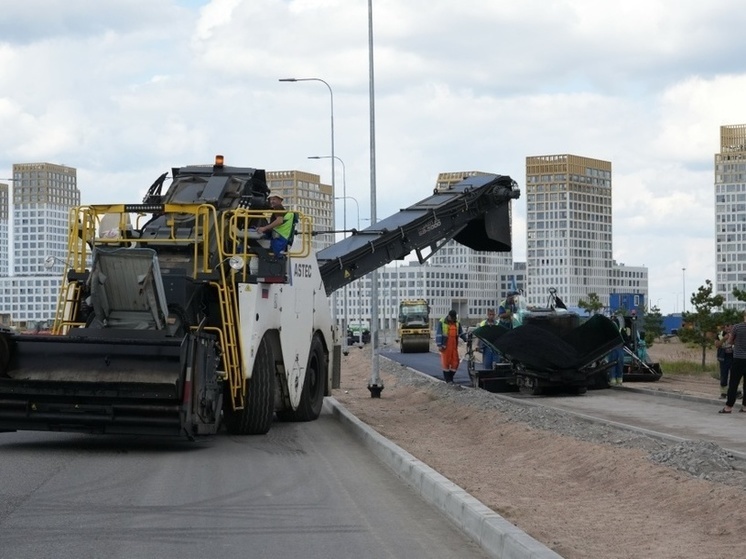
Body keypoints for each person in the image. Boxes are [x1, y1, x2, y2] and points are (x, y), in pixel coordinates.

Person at [719, 312, 746, 413]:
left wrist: (736, 341)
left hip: (738, 358)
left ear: (744, 316)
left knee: (733, 383)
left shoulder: (737, 327)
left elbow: (730, 341)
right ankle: (744, 406)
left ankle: (729, 407)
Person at [256, 192, 295, 258]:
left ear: (280, 200)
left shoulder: (278, 207)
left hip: (279, 237)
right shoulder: (278, 208)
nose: (271, 201)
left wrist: (264, 228)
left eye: (274, 199)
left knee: (276, 258)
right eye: (270, 200)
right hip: (280, 237)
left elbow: (279, 221)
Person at [435, 310, 466, 383]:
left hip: (454, 346)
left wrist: (465, 339)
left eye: (454, 318)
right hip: (445, 346)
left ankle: (451, 378)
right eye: (452, 318)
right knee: (446, 363)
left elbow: (460, 332)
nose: (453, 320)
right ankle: (448, 380)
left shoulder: (457, 323)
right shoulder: (442, 322)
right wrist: (439, 345)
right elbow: (438, 334)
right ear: (449, 316)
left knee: (455, 362)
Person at [715, 324, 738, 399]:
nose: (728, 328)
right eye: (726, 326)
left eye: (730, 326)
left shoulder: (735, 334)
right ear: (724, 327)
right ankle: (723, 393)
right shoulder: (720, 335)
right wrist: (723, 339)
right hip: (724, 357)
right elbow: (717, 345)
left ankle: (735, 392)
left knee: (735, 375)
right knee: (724, 375)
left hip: (734, 357)